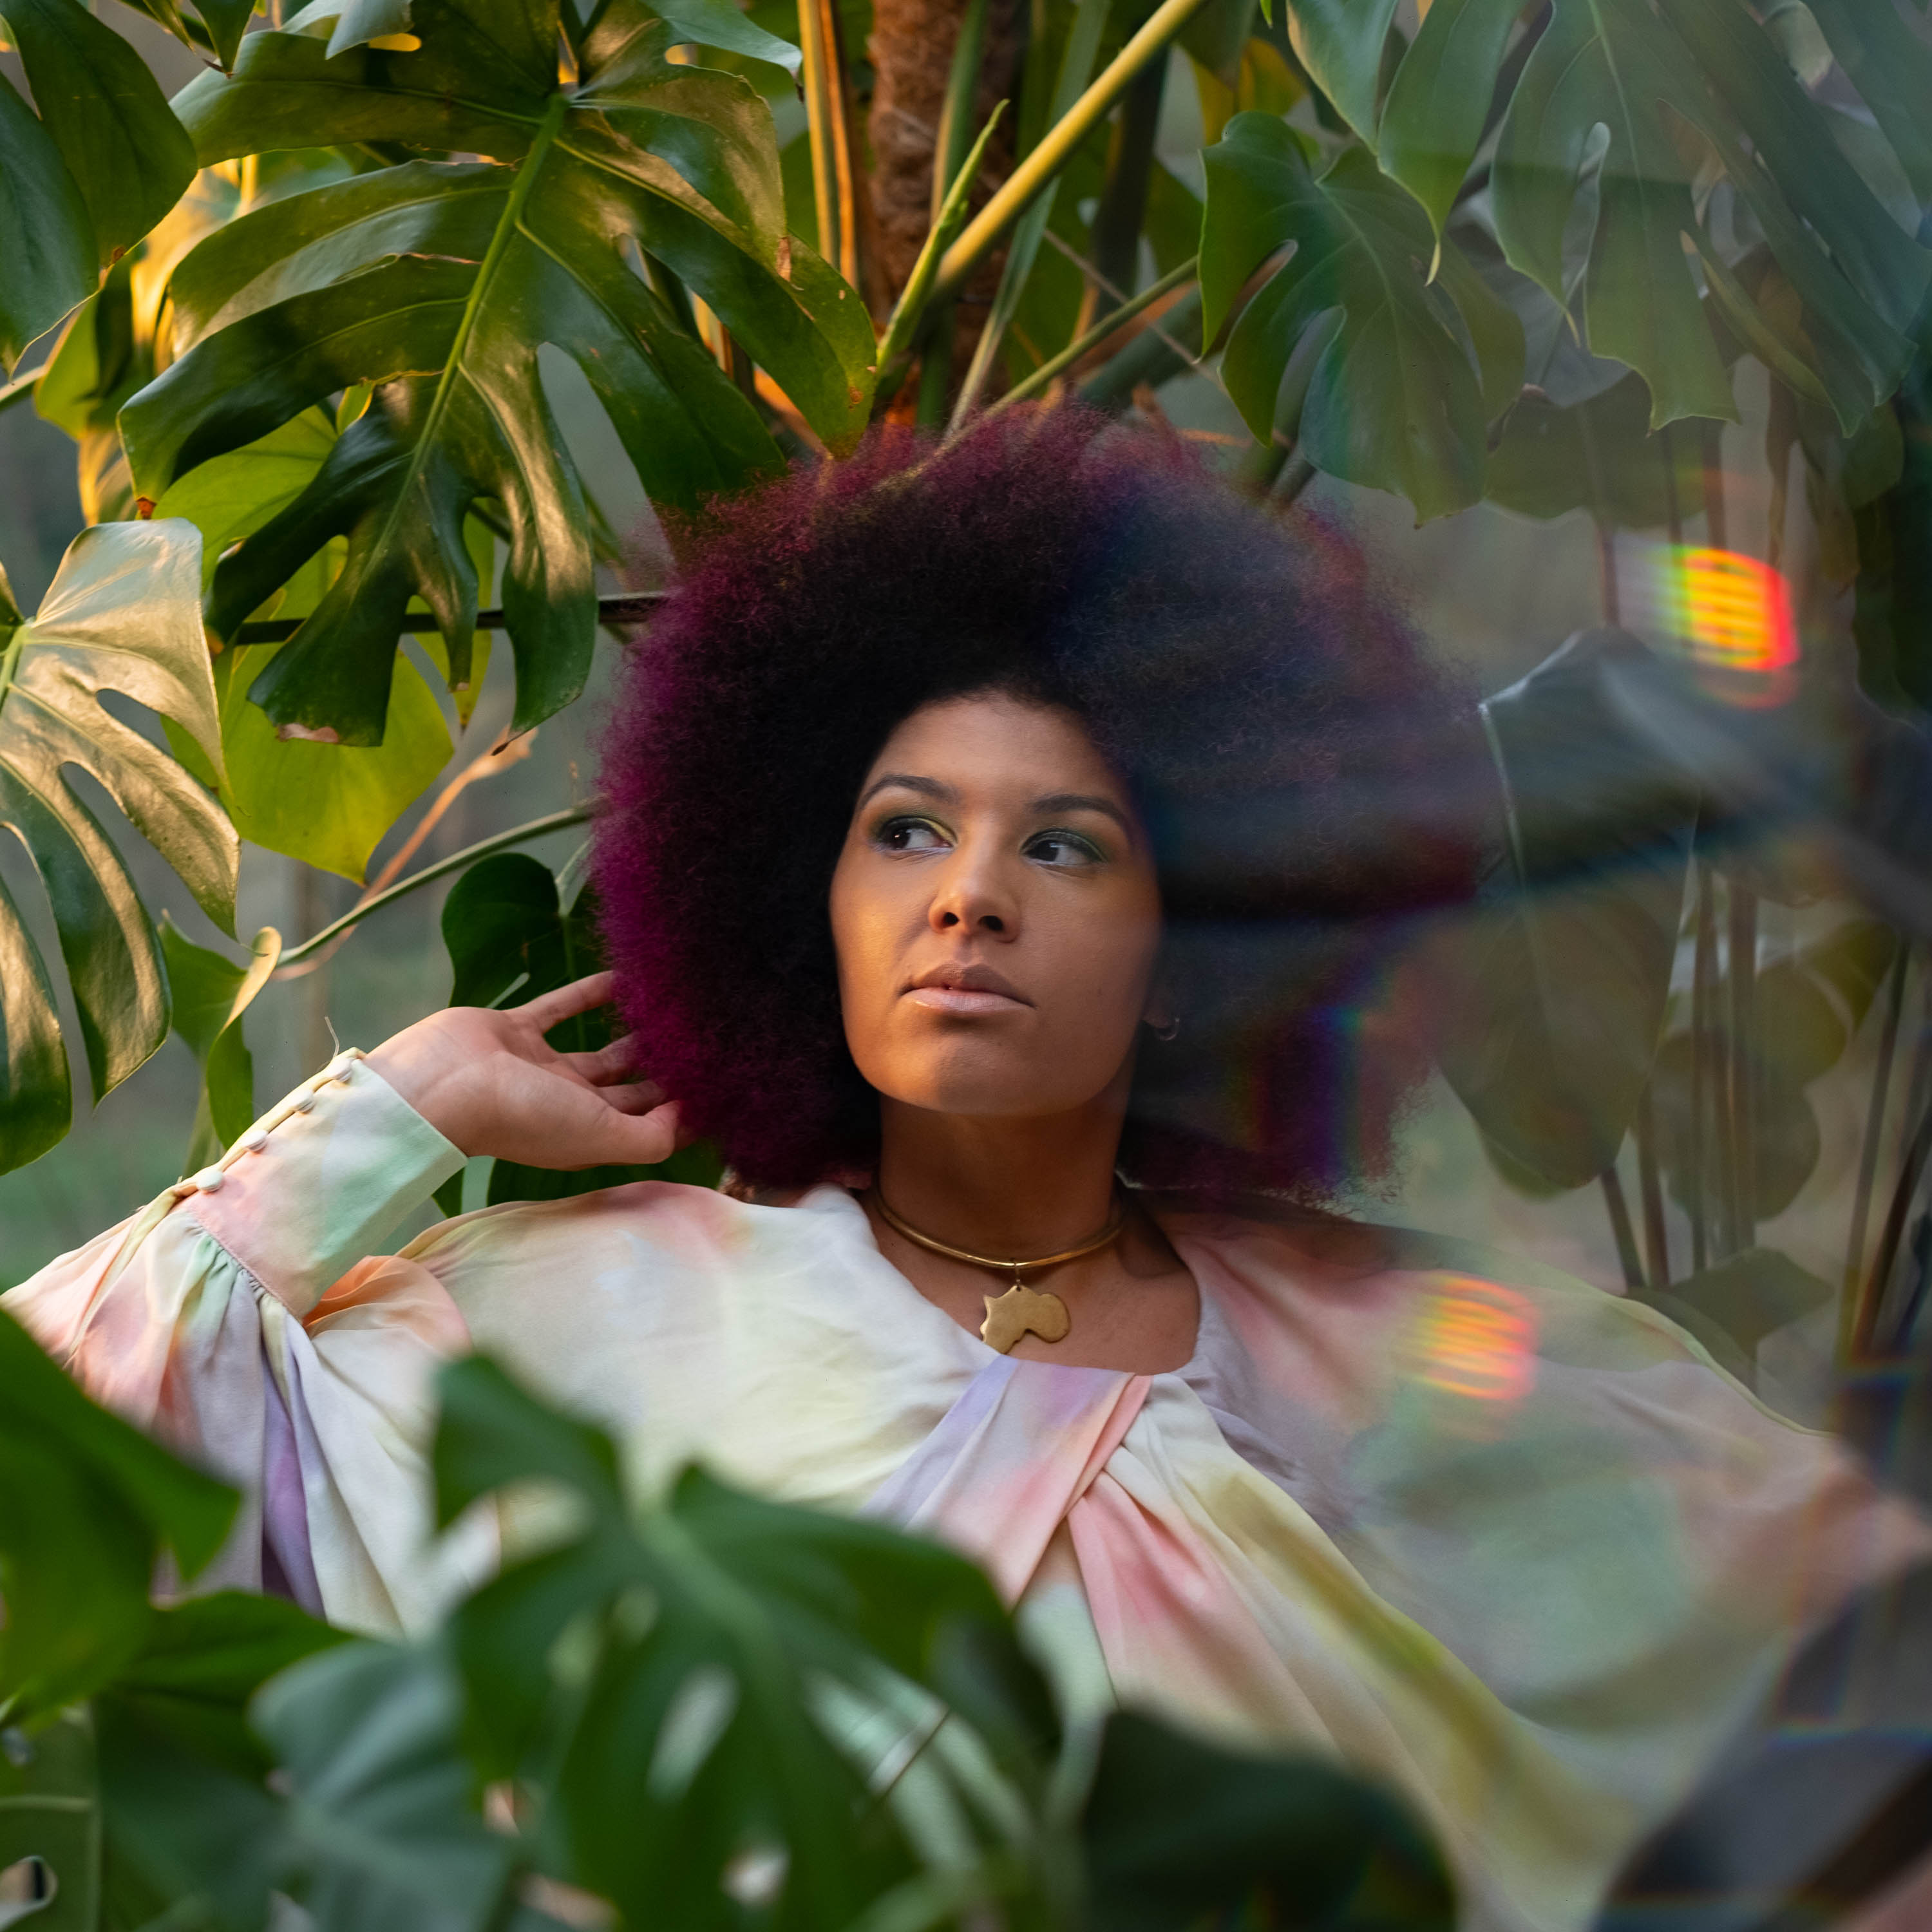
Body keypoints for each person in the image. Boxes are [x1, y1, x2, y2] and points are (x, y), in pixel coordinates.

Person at [8, 417, 1927, 1932]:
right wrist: (399, 1110)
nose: (971, 897)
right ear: (803, 899)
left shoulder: (1408, 1359)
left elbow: (1852, 1684)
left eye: (1065, 847)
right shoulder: (562, 1331)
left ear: (1196, 953)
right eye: (905, 831)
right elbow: (51, 1470)